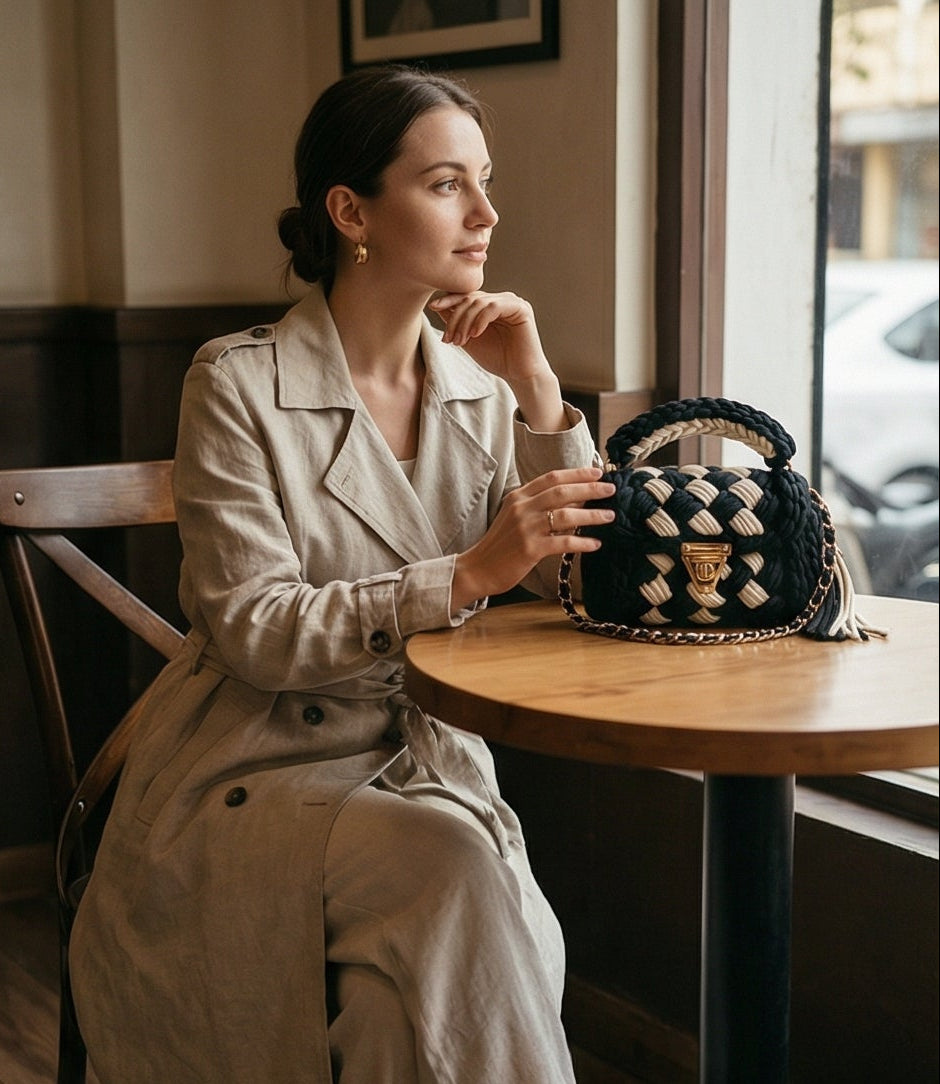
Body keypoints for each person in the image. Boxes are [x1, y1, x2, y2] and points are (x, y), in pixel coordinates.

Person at [70, 63, 616, 1083]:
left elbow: (573, 584)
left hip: (428, 765)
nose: (486, 212)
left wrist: (542, 396)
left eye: (483, 180)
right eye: (447, 183)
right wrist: (464, 573)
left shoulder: (481, 389)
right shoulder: (236, 382)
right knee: (456, 878)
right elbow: (256, 629)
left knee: (388, 1010)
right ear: (350, 209)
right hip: (252, 773)